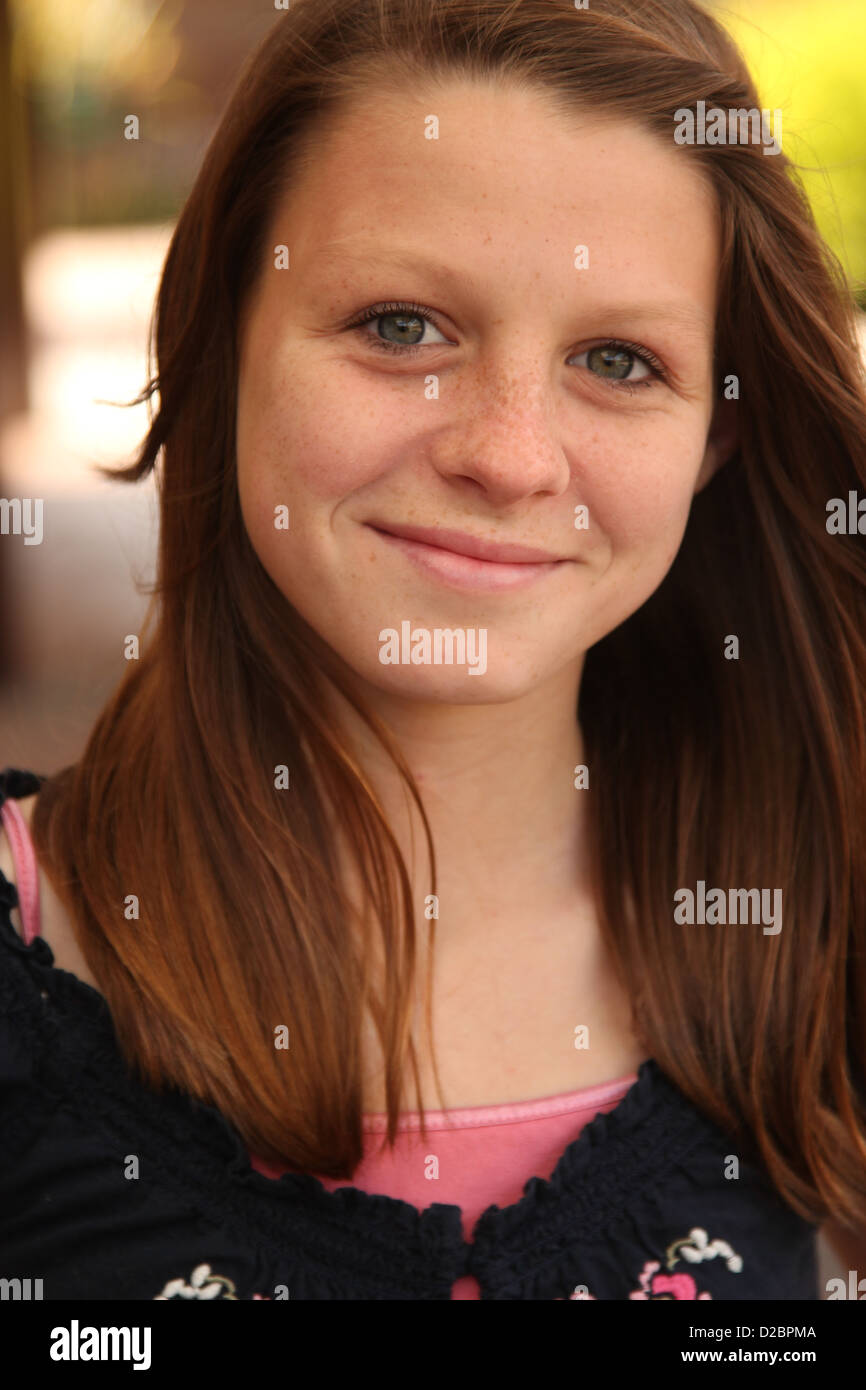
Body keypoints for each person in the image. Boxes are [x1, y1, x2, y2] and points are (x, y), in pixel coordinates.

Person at [1, 0, 865, 1301]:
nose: (508, 457)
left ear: (716, 437)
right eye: (401, 326)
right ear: (223, 337)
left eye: (618, 358)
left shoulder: (823, 916)